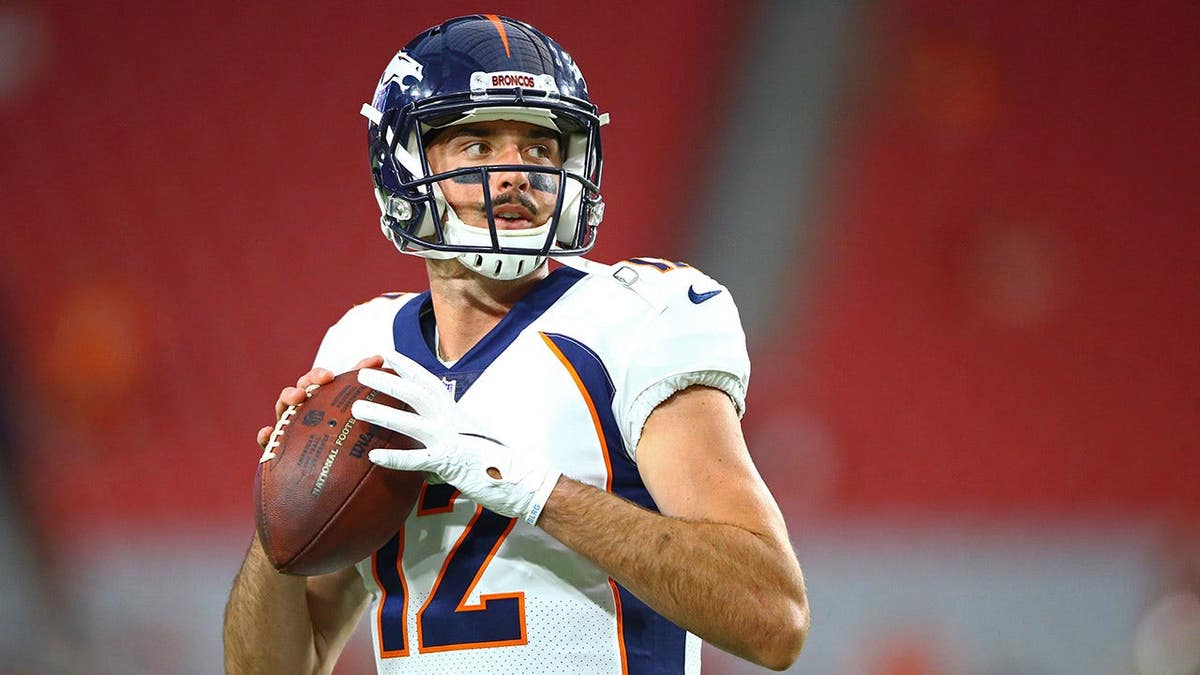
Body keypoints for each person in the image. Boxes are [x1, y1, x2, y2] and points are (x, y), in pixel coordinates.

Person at [223, 14, 808, 674]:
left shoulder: (636, 318)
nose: (515, 175)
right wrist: (281, 506)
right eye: (477, 146)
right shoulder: (362, 346)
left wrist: (522, 483)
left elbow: (772, 617)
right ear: (405, 165)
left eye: (538, 148)